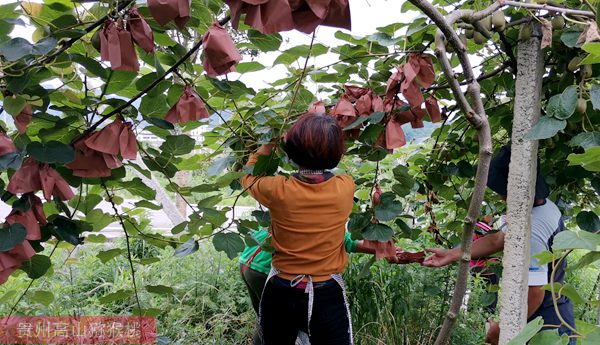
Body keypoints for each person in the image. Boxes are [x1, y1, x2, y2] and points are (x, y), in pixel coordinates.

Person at [423, 146, 575, 344]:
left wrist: (501, 330)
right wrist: (453, 254)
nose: (502, 197)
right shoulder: (543, 207)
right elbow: (498, 239)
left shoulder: (533, 229)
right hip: (548, 311)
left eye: (503, 191)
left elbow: (535, 292)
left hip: (545, 323)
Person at [239, 113, 360, 345]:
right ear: (338, 153)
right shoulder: (345, 186)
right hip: (325, 290)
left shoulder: (277, 190)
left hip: (281, 289)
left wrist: (270, 142)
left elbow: (248, 173)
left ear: (291, 151)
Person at [239, 227, 396, 345]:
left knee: (269, 323)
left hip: (249, 262)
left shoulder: (294, 194)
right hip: (270, 270)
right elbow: (347, 241)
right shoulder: (324, 210)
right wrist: (385, 249)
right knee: (298, 325)